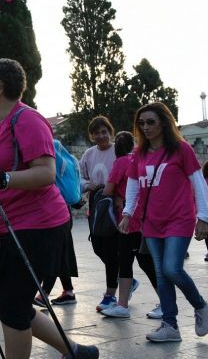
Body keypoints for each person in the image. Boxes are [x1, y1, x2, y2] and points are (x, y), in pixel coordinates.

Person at [0, 59, 98, 358]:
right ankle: (76, 352)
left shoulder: (28, 120)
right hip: (4, 229)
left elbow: (46, 173)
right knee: (18, 306)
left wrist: (5, 178)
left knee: (13, 310)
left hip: (37, 228)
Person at [118, 102, 208, 342]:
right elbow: (133, 185)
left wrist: (204, 217)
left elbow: (199, 183)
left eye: (151, 122)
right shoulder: (139, 153)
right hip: (151, 222)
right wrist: (128, 213)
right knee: (161, 274)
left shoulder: (181, 149)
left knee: (171, 268)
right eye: (141, 123)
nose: (145, 127)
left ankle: (201, 306)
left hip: (179, 219)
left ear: (164, 123)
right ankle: (170, 326)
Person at [100, 131, 160, 318]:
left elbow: (107, 190)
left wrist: (116, 194)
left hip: (128, 220)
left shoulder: (122, 162)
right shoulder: (138, 159)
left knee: (141, 261)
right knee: (128, 260)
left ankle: (165, 302)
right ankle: (122, 304)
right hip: (140, 218)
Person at [80, 116, 134, 311]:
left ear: (110, 132)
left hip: (115, 207)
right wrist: (89, 185)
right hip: (95, 207)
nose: (101, 136)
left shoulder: (118, 150)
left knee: (111, 251)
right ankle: (126, 278)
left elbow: (131, 175)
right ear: (91, 135)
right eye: (96, 133)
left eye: (104, 132)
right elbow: (81, 179)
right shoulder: (88, 154)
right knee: (98, 247)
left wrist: (123, 197)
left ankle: (110, 294)